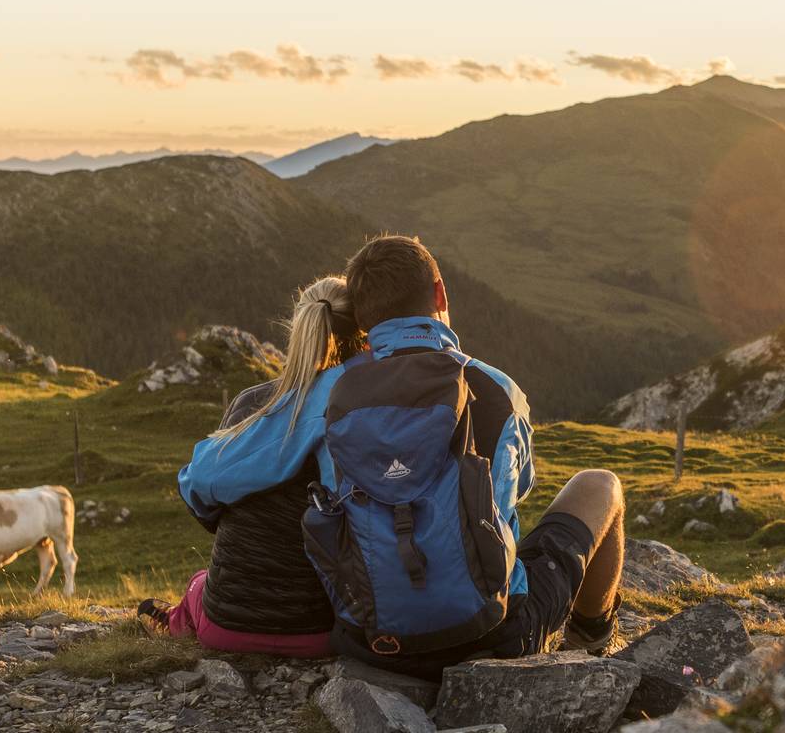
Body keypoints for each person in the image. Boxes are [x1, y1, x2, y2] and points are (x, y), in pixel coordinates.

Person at [177, 235, 626, 678]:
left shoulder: (328, 395)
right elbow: (514, 492)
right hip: (495, 635)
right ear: (440, 293)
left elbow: (206, 478)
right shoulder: (498, 389)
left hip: (370, 640)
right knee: (600, 485)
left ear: (362, 319)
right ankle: (593, 636)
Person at [137, 276, 358, 657]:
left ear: (300, 328)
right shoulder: (370, 411)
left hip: (227, 626)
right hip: (325, 630)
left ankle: (175, 622)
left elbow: (209, 509)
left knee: (199, 585)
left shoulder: (253, 403)